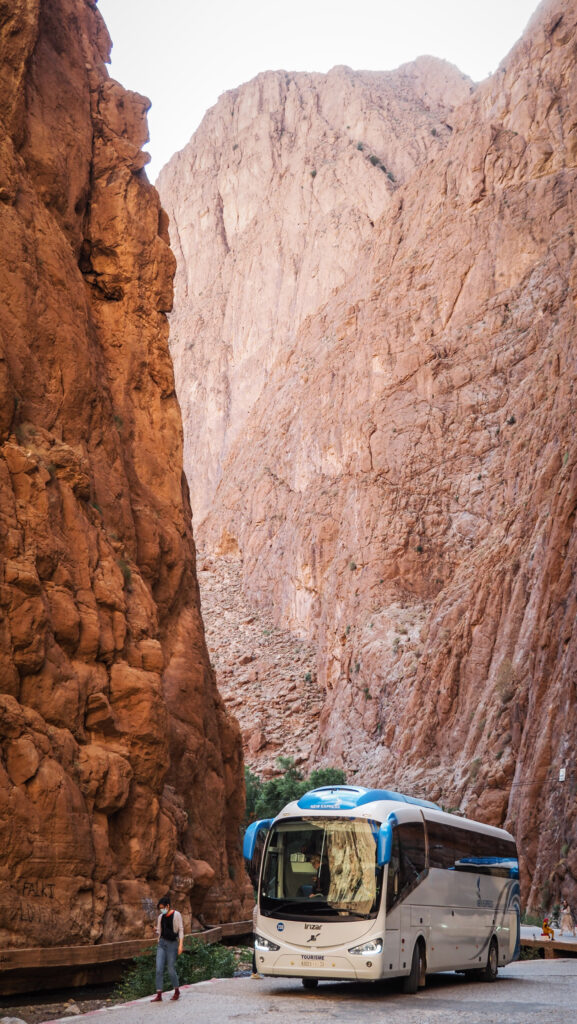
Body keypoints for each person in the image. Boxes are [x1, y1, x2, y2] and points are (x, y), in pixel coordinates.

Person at [151, 895, 184, 1002]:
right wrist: (155, 930)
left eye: (162, 907)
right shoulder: (160, 917)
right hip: (162, 943)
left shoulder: (177, 915)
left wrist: (180, 945)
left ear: (168, 906)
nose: (162, 910)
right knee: (159, 969)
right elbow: (160, 931)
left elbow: (180, 930)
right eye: (160, 908)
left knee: (170, 968)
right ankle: (159, 994)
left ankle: (177, 991)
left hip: (172, 944)